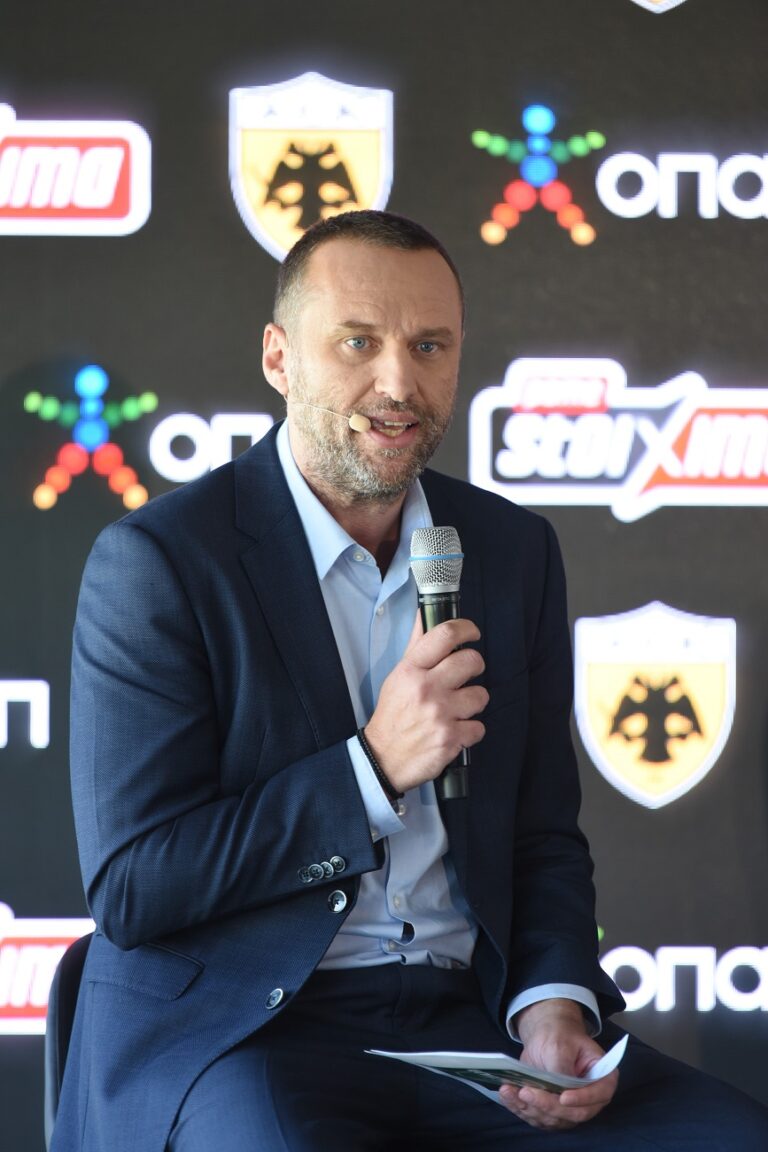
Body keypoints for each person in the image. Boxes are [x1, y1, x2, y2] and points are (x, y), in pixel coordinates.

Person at [55, 210, 768, 1151]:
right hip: (248, 1032)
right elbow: (135, 886)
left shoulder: (512, 550)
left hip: (467, 1030)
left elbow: (542, 836)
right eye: (358, 342)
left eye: (429, 345)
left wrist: (552, 1004)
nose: (399, 383)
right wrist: (373, 770)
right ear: (279, 358)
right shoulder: (159, 561)